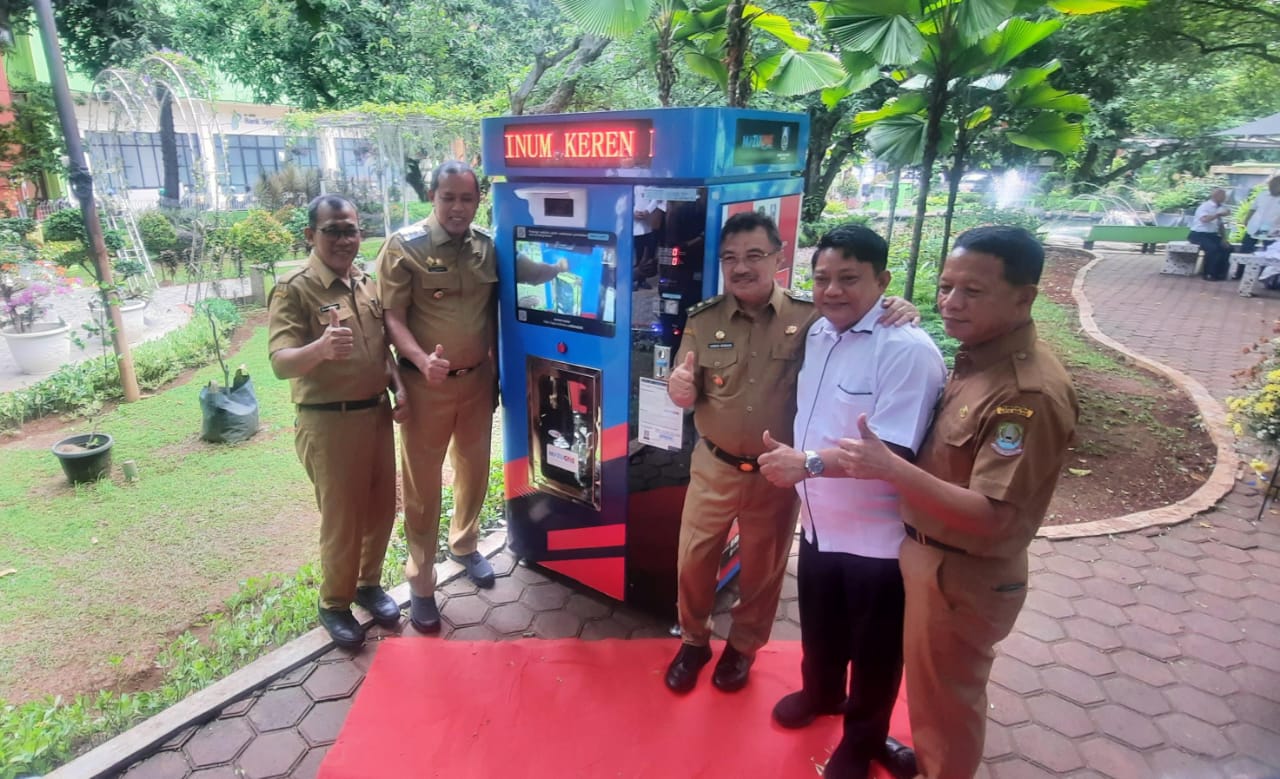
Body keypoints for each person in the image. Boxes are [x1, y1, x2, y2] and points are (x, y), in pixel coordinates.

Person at [836, 226, 1079, 779]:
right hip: (932, 559)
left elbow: (994, 515)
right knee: (930, 695)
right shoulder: (977, 361)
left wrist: (889, 468)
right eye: (945, 287)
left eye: (972, 291)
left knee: (948, 706)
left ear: (1024, 297)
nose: (951, 302)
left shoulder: (1025, 393)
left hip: (964, 573)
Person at [663, 211, 918, 695]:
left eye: (754, 256)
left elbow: (858, 315)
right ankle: (694, 640)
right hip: (713, 466)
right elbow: (683, 386)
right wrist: (677, 388)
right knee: (693, 561)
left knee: (763, 568)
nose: (741, 268)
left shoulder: (812, 318)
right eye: (730, 259)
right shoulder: (704, 319)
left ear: (778, 258)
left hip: (777, 475)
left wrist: (897, 306)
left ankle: (742, 647)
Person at [757, 225, 945, 779]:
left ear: (882, 282)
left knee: (876, 650)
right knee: (820, 625)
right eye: (822, 278)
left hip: (878, 539)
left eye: (849, 279)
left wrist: (806, 463)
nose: (832, 291)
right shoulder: (818, 333)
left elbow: (887, 452)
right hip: (819, 523)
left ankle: (862, 740)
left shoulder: (906, 350)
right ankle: (821, 695)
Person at [377, 160, 563, 633]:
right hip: (426, 389)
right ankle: (421, 583)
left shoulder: (487, 247)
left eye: (466, 198)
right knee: (422, 488)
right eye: (448, 198)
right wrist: (420, 359)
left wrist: (563, 262)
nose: (457, 207)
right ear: (433, 198)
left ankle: (464, 544)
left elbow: (530, 271)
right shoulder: (404, 248)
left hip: (477, 382)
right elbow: (392, 317)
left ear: (477, 199)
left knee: (474, 469)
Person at [268, 194, 409, 649]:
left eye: (350, 229)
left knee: (382, 507)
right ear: (311, 235)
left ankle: (368, 585)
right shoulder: (295, 288)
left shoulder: (365, 283)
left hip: (374, 415)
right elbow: (280, 362)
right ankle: (334, 602)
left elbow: (380, 347)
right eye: (332, 230)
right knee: (343, 518)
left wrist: (397, 384)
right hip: (328, 422)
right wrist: (320, 349)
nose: (344, 239)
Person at [1188, 187, 1233, 281]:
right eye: (1223, 196)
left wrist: (1224, 238)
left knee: (1227, 248)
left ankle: (1220, 273)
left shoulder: (1221, 207)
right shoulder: (1205, 206)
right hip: (1198, 234)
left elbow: (1220, 225)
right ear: (1216, 196)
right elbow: (1204, 219)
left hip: (1212, 235)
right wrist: (1218, 214)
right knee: (1213, 249)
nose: (1225, 198)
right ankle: (1209, 273)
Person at [633, 192, 667, 290]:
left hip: (648, 225)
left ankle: (641, 280)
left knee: (647, 256)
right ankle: (630, 280)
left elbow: (656, 197)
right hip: (631, 226)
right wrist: (633, 212)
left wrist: (648, 211)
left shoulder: (651, 183)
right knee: (635, 256)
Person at [1241, 176, 1280, 255]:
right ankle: (1240, 267)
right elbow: (1253, 209)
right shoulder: (1262, 194)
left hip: (1272, 230)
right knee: (1245, 250)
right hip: (1254, 227)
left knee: (1269, 254)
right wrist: (1246, 220)